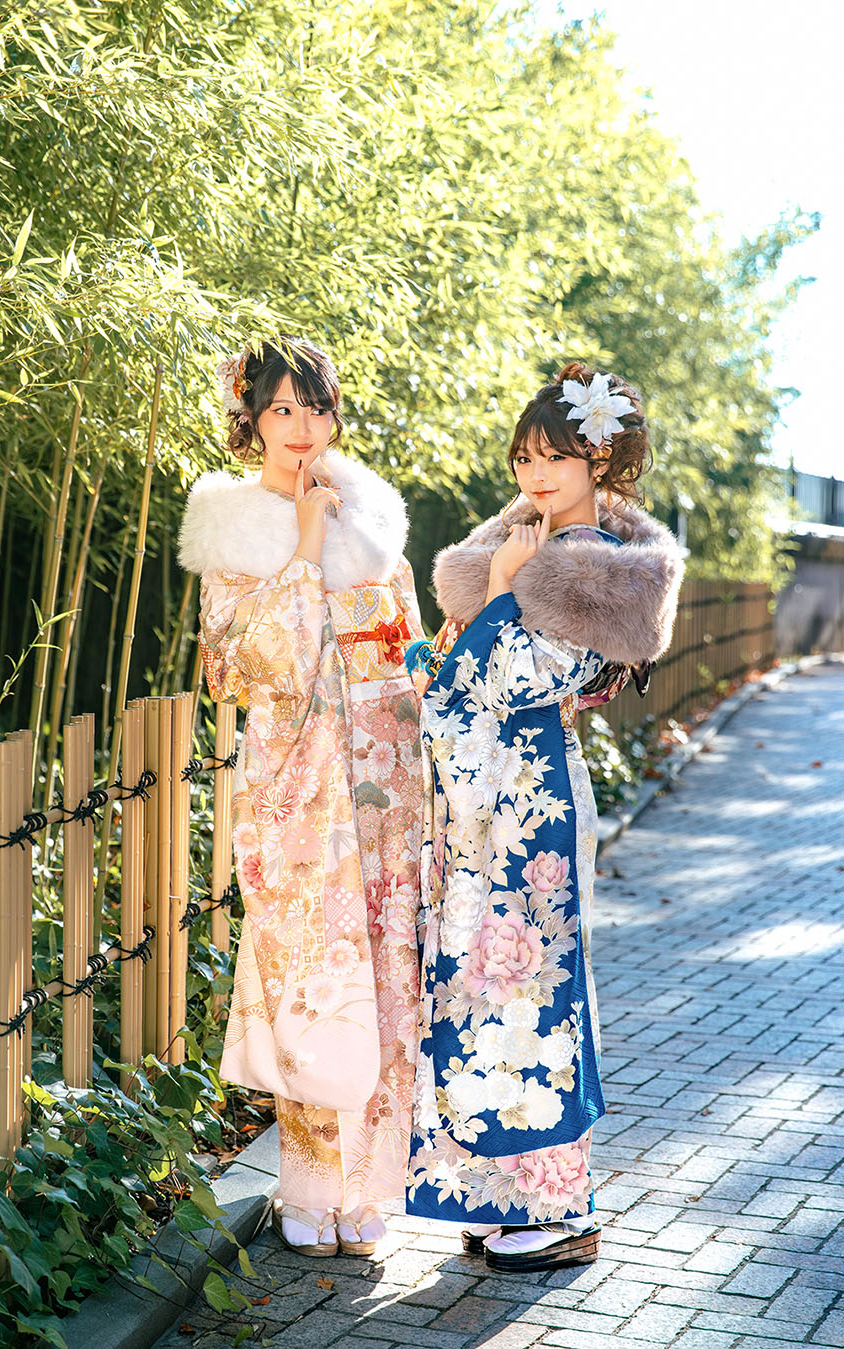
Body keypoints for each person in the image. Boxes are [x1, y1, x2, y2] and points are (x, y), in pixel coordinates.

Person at [405, 362, 684, 1272]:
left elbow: (513, 678)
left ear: (599, 459)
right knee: (483, 986)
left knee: (537, 990)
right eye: (525, 456)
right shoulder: (527, 546)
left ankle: (562, 1207)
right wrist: (474, 615)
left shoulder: (594, 571)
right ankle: (500, 1194)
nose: (536, 473)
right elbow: (459, 669)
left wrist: (495, 596)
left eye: (556, 456)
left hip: (537, 807)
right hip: (494, 800)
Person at [179, 338, 424, 1257]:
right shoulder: (234, 525)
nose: (302, 427)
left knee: (384, 972)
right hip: (296, 785)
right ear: (251, 418)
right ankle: (308, 1183)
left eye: (316, 408)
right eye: (282, 408)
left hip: (382, 781)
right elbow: (244, 666)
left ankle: (370, 1186)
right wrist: (308, 545)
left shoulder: (374, 518)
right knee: (313, 973)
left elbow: (404, 648)